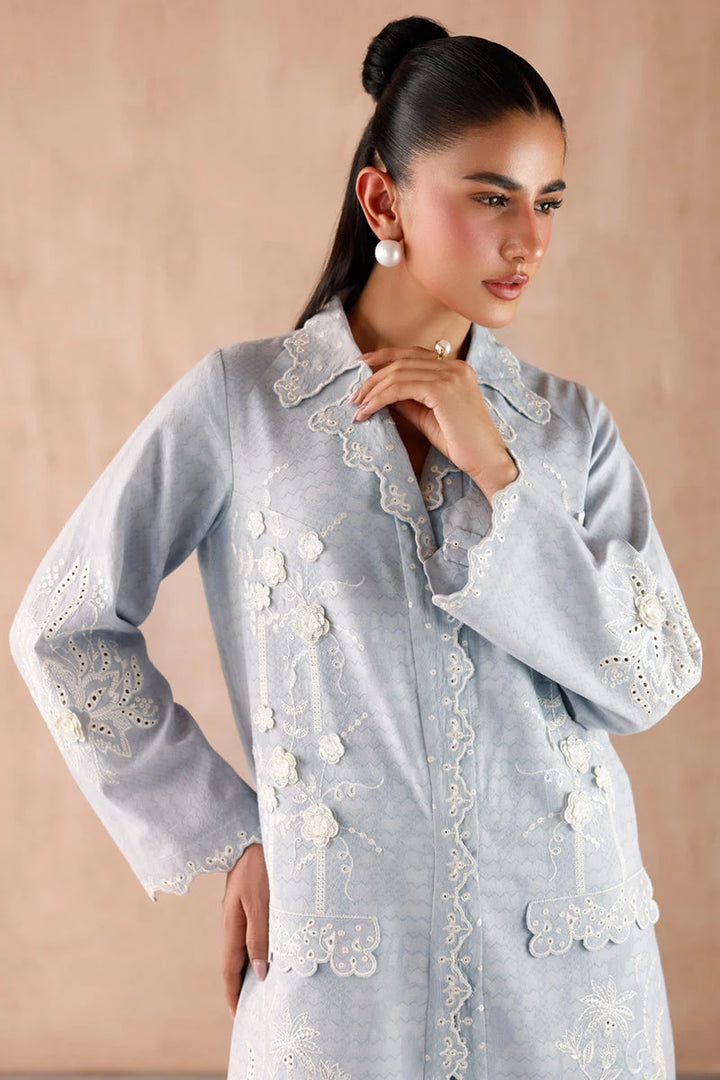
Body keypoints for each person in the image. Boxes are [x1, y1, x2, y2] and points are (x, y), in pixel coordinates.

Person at [9, 15, 702, 1080]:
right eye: (492, 197)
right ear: (383, 202)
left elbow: (649, 677)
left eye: (548, 202)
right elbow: (64, 623)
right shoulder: (245, 405)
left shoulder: (567, 429)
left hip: (570, 976)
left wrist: (498, 472)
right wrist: (231, 833)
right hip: (341, 973)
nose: (530, 240)